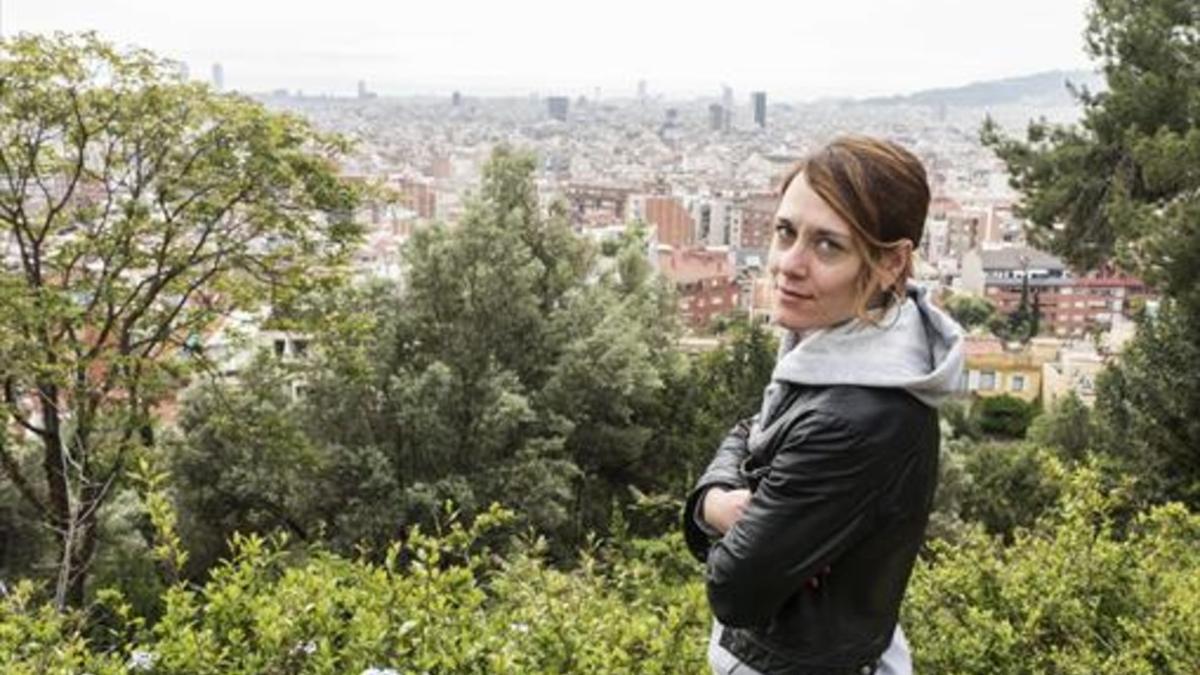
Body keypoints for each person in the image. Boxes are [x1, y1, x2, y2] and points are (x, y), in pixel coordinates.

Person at [682, 135, 965, 674]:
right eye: (786, 232)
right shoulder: (848, 348)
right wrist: (720, 503)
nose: (790, 264)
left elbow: (737, 589)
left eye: (828, 246)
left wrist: (711, 510)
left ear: (889, 263)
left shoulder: (859, 416)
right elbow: (754, 428)